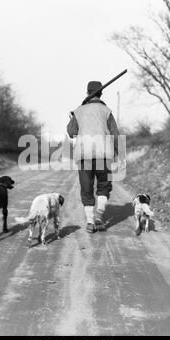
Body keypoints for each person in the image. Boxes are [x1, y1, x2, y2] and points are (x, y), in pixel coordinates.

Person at [67, 81, 120, 233]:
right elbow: (115, 134)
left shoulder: (79, 110)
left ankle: (90, 222)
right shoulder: (106, 110)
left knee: (86, 189)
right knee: (104, 185)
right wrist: (118, 153)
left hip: (84, 156)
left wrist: (73, 116)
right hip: (103, 155)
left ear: (87, 92)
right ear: (101, 93)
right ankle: (99, 217)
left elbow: (71, 132)